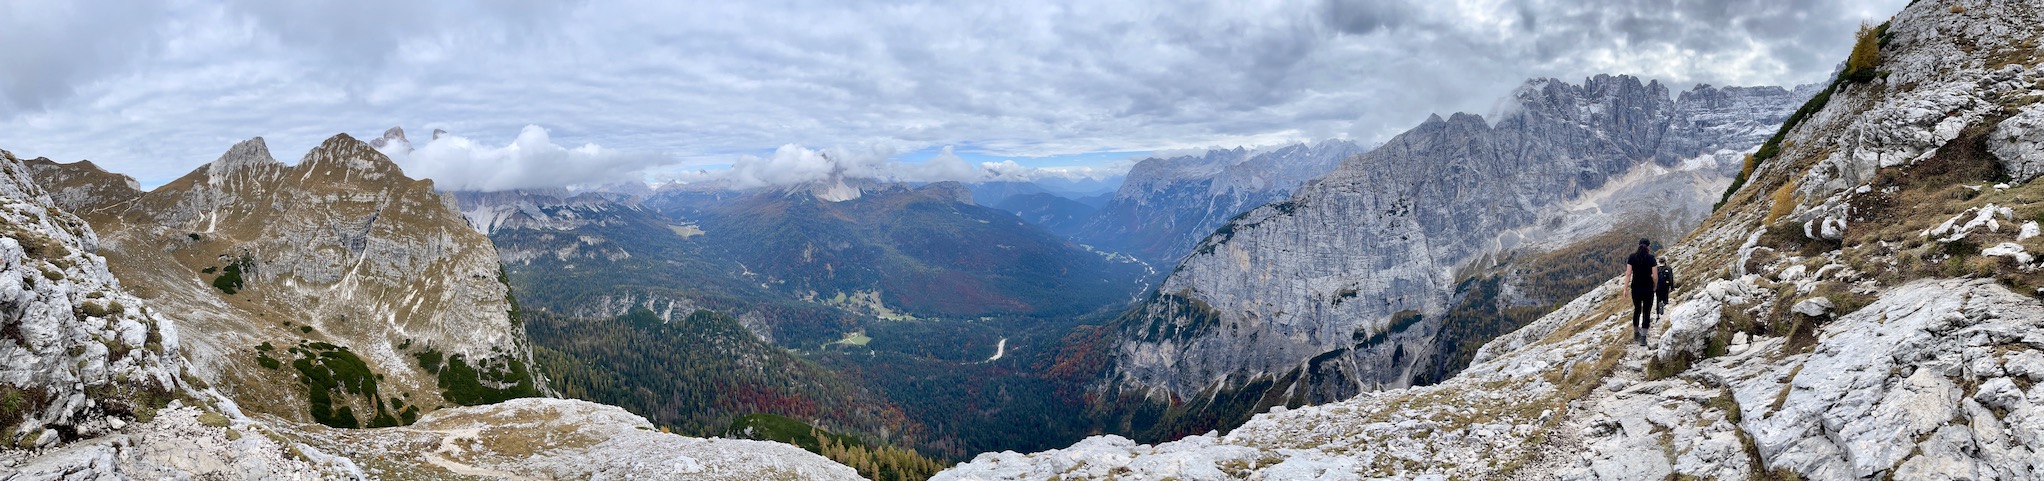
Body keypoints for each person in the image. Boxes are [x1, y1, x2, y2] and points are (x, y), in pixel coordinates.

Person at [1623, 238, 1658, 346]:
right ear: (1648, 246)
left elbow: (1628, 274)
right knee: (1646, 311)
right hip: (1648, 288)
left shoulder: (1632, 257)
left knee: (1637, 310)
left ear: (1638, 245)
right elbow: (1655, 276)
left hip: (1636, 288)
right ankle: (1643, 337)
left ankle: (1636, 333)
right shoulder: (1651, 258)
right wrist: (1655, 286)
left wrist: (1625, 288)